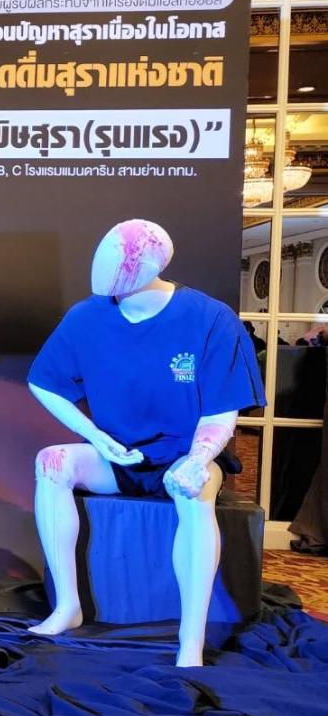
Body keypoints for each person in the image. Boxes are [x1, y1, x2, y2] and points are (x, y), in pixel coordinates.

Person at [26, 220, 264, 666]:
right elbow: (45, 383)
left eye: (120, 259)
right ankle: (67, 606)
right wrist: (96, 436)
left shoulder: (210, 319)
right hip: (119, 454)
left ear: (150, 264)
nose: (107, 270)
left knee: (192, 491)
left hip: (185, 455)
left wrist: (199, 458)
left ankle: (189, 641)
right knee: (52, 462)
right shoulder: (87, 317)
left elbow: (221, 408)